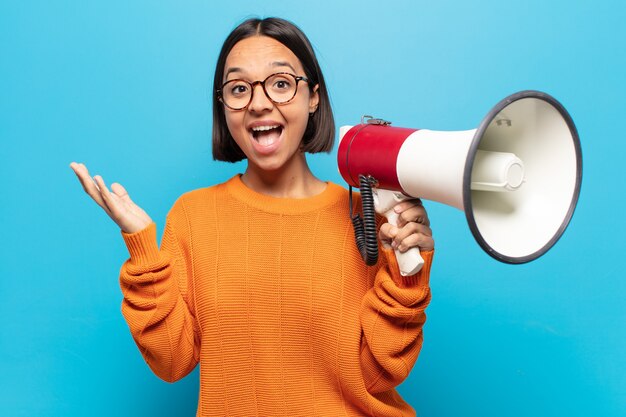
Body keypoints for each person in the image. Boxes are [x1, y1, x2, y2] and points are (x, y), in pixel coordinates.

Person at [70, 17, 434, 417]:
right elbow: (172, 363)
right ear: (223, 106)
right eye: (239, 89)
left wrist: (407, 276)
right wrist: (142, 248)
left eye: (280, 83)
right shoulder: (193, 216)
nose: (259, 103)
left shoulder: (368, 219)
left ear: (313, 97)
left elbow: (378, 374)